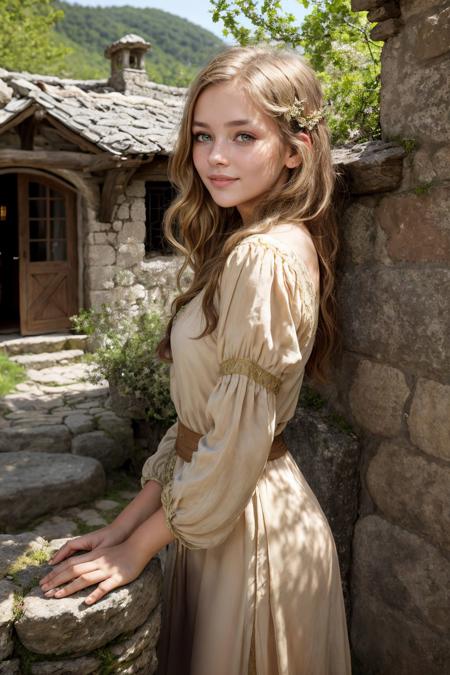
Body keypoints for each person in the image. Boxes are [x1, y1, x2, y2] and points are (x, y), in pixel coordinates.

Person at [39, 45, 352, 675]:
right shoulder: (245, 244)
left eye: (243, 136)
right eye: (204, 135)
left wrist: (135, 553)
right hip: (210, 516)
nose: (214, 157)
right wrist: (125, 529)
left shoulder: (261, 257)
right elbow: (196, 427)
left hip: (246, 529)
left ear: (296, 148)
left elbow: (235, 438)